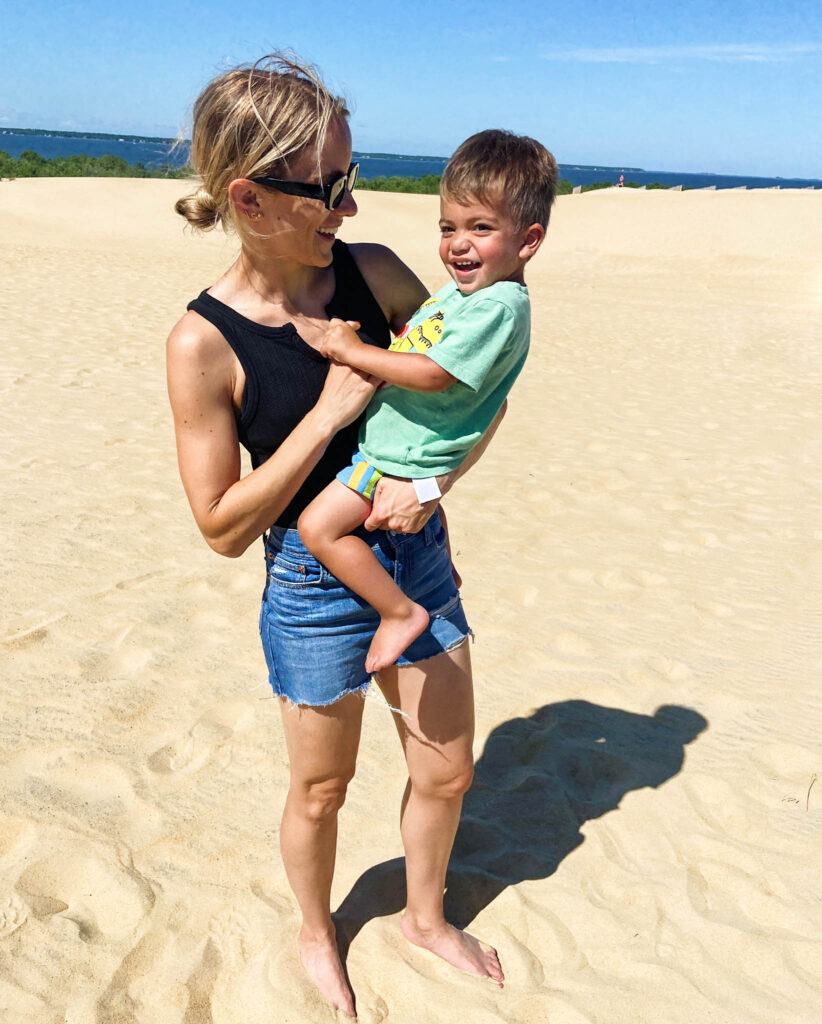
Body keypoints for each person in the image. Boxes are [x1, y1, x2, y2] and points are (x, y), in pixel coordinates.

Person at [166, 54, 508, 1018]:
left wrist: (437, 481)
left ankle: (424, 917)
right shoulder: (203, 343)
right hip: (313, 584)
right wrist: (327, 413)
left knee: (449, 768)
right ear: (250, 195)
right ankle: (320, 934)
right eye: (330, 188)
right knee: (322, 789)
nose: (350, 209)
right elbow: (222, 527)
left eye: (351, 182)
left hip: (414, 558)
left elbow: (481, 395)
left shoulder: (379, 276)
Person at [298, 130, 557, 676]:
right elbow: (417, 342)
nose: (458, 244)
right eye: (448, 228)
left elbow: (434, 374)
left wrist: (356, 351)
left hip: (402, 461)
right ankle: (432, 574)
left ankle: (399, 612)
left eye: (480, 228)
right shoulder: (462, 296)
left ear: (528, 241)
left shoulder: (499, 307)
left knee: (316, 529)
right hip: (402, 452)